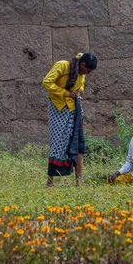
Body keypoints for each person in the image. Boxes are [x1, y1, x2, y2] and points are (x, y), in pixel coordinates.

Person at [42, 53, 97, 187]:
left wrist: (79, 91)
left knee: (77, 142)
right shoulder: (62, 66)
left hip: (74, 109)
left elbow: (81, 86)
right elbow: (47, 82)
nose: (87, 74)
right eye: (87, 71)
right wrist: (66, 93)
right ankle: (50, 181)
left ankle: (78, 182)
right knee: (58, 142)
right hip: (58, 108)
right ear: (83, 65)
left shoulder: (81, 73)